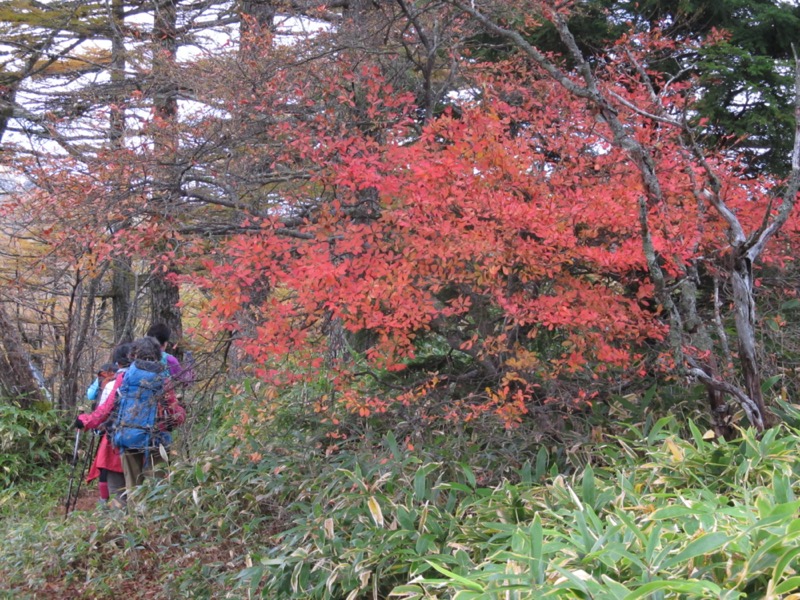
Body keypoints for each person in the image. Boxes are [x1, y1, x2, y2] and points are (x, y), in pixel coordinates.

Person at [113, 336, 185, 499]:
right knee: (158, 490)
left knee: (133, 489)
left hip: (127, 436)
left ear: (133, 355)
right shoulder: (163, 379)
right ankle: (154, 521)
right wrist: (182, 411)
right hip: (155, 440)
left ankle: (135, 521)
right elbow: (176, 416)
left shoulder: (124, 378)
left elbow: (114, 405)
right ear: (157, 354)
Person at [74, 345, 132, 507]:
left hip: (115, 435)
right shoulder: (157, 378)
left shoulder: (114, 381)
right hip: (148, 441)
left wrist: (86, 421)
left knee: (108, 469)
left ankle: (109, 508)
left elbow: (101, 405)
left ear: (117, 363)